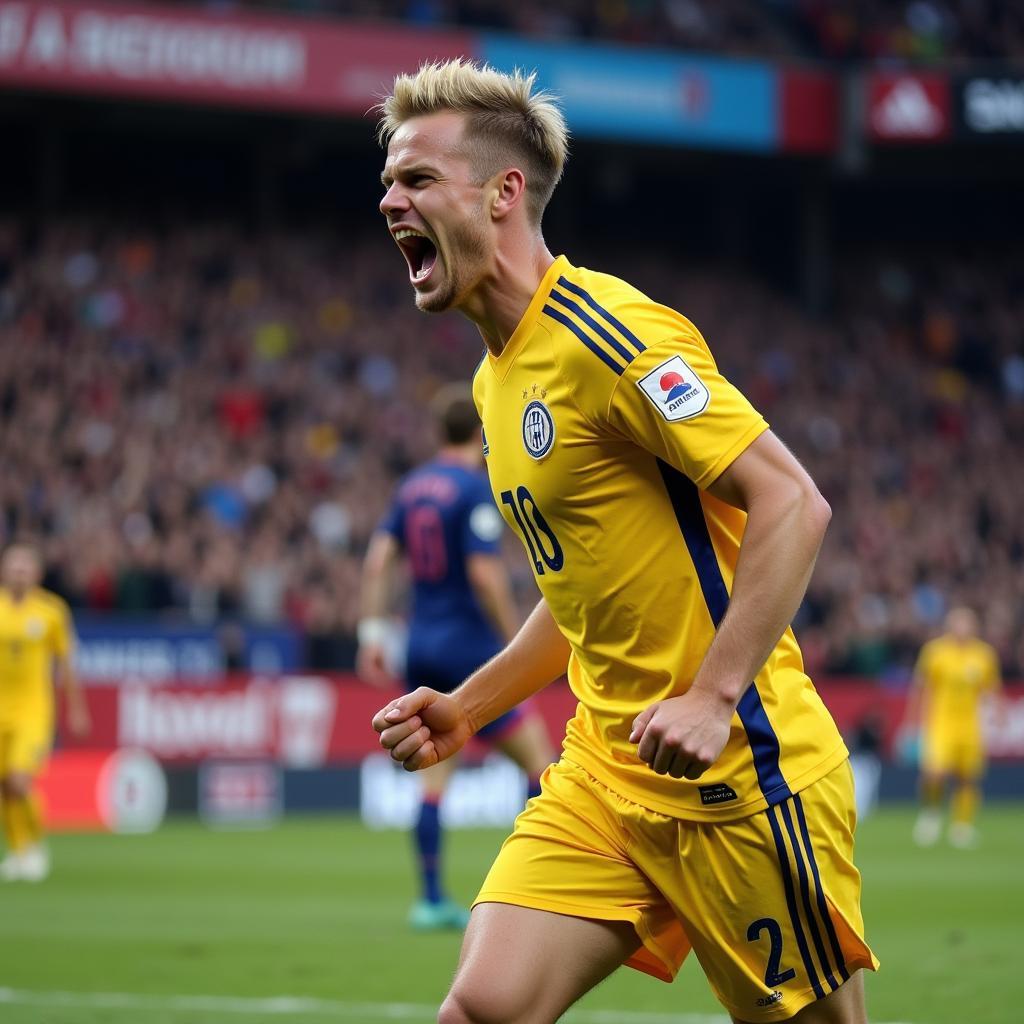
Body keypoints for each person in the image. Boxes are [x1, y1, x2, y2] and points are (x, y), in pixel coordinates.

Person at [372, 59, 878, 1024]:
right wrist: (471, 709)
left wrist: (712, 695)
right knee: (481, 1009)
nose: (390, 200)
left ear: (503, 192)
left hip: (740, 771)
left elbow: (793, 504)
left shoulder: (613, 337)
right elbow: (583, 595)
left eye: (418, 179)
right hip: (607, 770)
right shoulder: (493, 379)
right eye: (389, 182)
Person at [358, 383, 554, 931]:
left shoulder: (413, 486)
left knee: (433, 777)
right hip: (471, 649)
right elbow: (484, 572)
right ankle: (534, 893)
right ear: (481, 429)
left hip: (421, 646)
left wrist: (371, 634)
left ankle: (430, 898)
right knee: (541, 766)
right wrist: (519, 642)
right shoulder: (473, 488)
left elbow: (377, 562)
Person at [0, 542, 90, 881]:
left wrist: (77, 709)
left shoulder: (52, 611)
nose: (20, 571)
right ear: (4, 570)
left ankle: (36, 847)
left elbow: (66, 664)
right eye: (13, 565)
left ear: (36, 572)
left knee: (20, 780)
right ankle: (18, 850)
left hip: (33, 711)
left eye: (25, 565)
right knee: (4, 787)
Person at [904, 606, 1001, 849]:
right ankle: (931, 814)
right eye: (958, 622)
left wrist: (999, 711)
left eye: (967, 623)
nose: (962, 628)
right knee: (934, 773)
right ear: (950, 625)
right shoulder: (935, 652)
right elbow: (921, 687)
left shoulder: (984, 655)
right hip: (941, 724)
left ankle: (962, 826)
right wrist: (913, 719)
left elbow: (991, 689)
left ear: (974, 626)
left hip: (970, 726)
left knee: (968, 777)